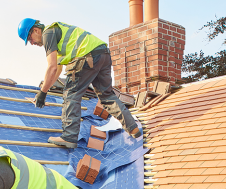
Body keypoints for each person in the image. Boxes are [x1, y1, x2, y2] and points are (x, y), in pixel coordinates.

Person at [17, 18, 141, 148]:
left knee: (71, 94)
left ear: (36, 30)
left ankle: (69, 137)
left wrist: (42, 93)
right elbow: (57, 70)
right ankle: (133, 128)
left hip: (86, 56)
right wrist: (44, 91)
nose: (32, 43)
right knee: (107, 96)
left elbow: (51, 67)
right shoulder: (57, 36)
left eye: (30, 39)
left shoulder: (47, 34)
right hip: (102, 54)